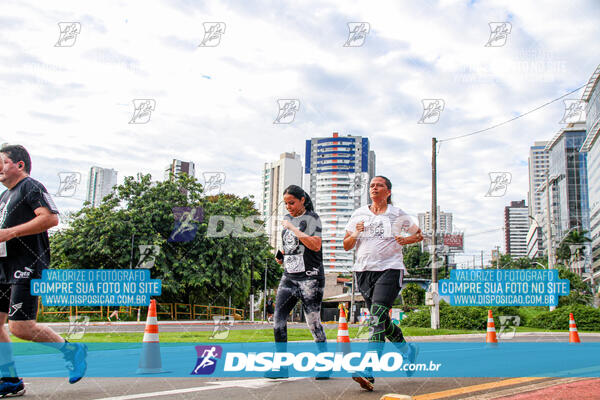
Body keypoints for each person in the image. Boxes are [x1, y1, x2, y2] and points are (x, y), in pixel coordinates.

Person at [0, 145, 87, 397]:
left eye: (3, 162)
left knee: (21, 328)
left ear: (19, 165)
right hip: (4, 268)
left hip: (26, 265)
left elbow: (50, 218)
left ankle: (72, 350)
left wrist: (10, 232)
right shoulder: (5, 197)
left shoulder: (31, 187)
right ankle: (10, 379)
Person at [344, 176, 423, 391]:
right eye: (371, 185)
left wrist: (405, 240)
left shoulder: (397, 214)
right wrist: (356, 232)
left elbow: (418, 235)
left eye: (379, 185)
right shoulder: (358, 214)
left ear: (388, 191)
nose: (374, 188)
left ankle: (369, 371)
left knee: (377, 319)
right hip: (363, 272)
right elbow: (346, 245)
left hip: (390, 269)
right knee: (382, 323)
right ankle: (408, 351)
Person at [269, 185, 327, 379]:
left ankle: (325, 365)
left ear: (302, 200)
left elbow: (315, 245)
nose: (288, 207)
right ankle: (282, 367)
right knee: (278, 321)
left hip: (310, 278)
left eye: (292, 202)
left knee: (313, 323)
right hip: (289, 278)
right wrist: (281, 256)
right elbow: (289, 247)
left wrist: (293, 228)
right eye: (286, 203)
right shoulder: (288, 220)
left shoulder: (312, 218)